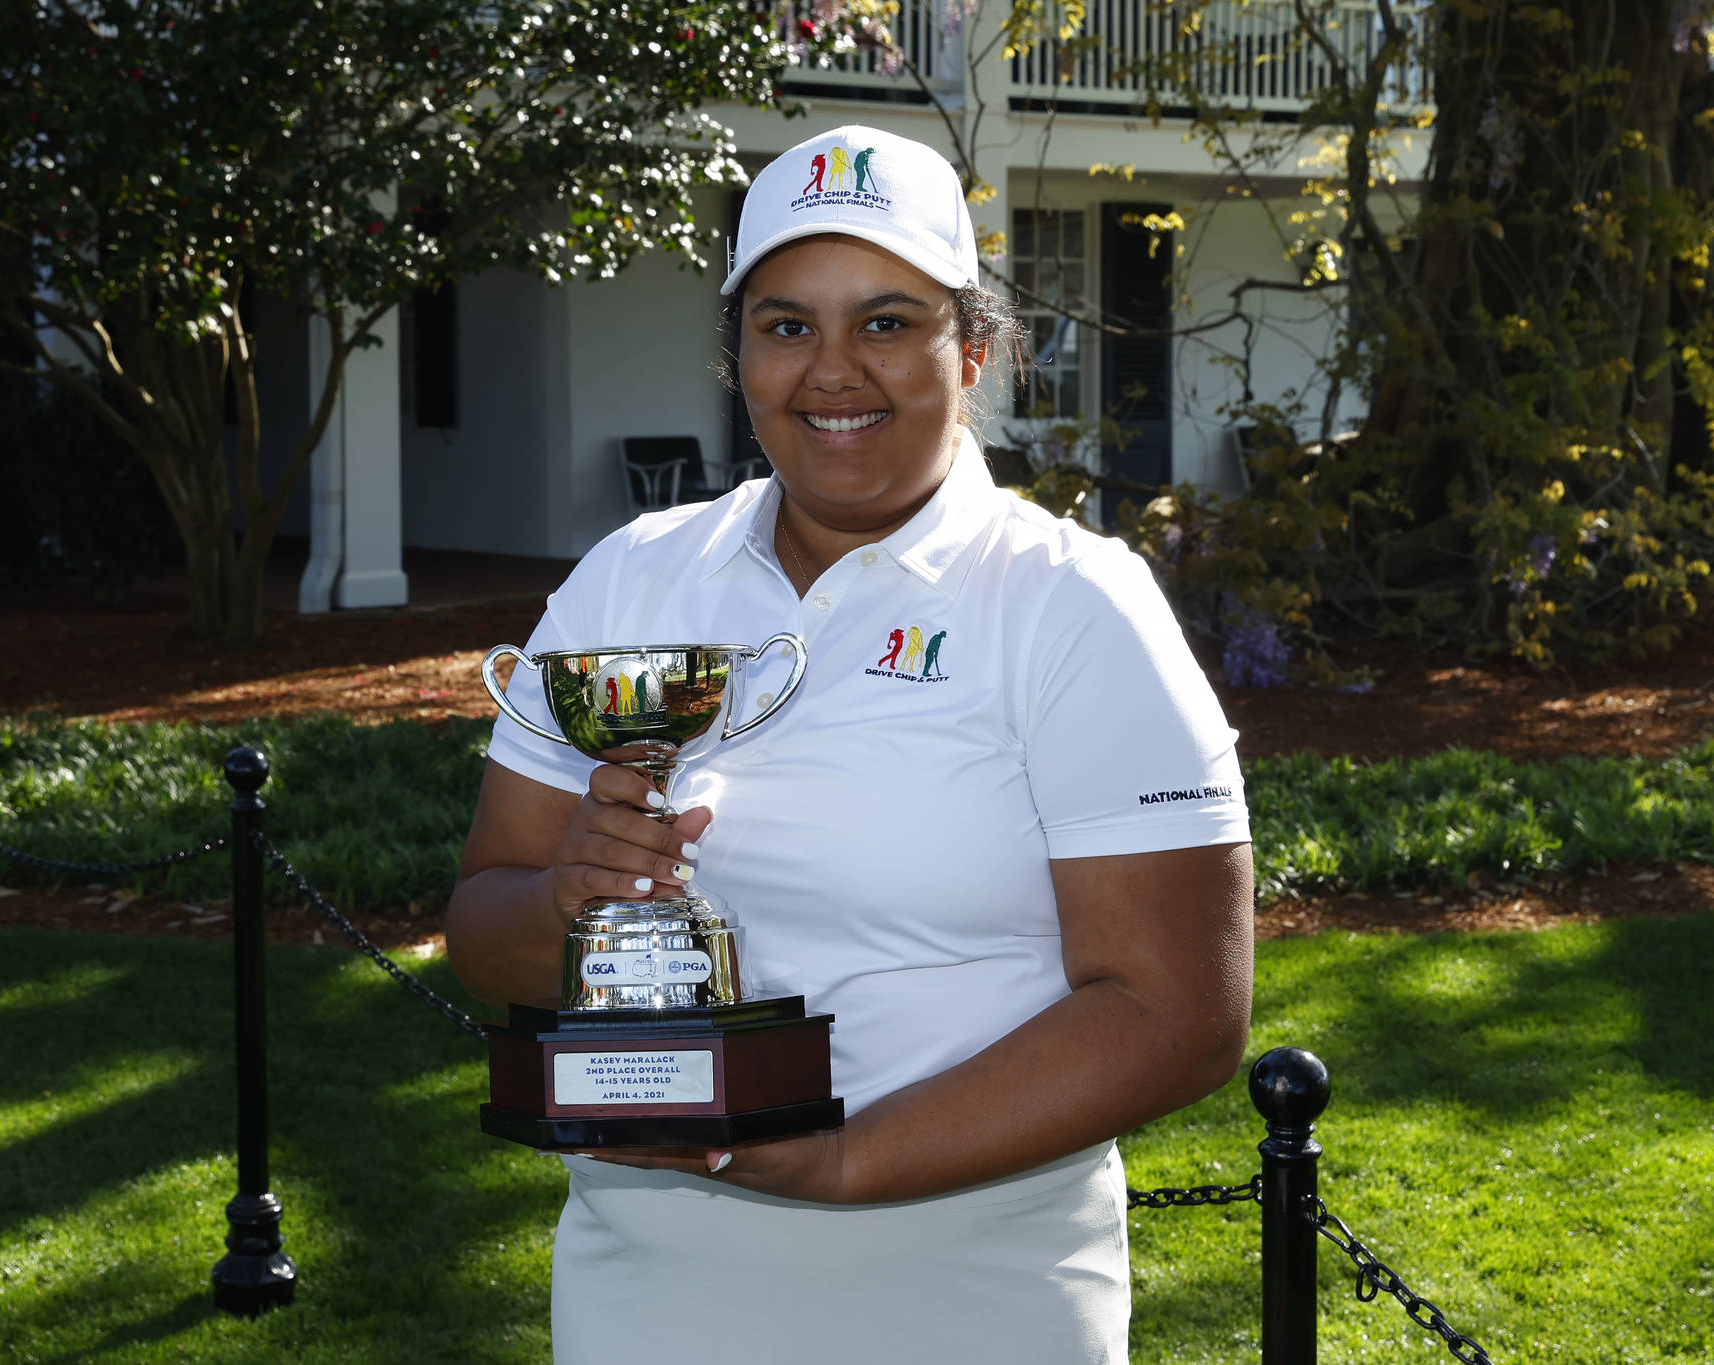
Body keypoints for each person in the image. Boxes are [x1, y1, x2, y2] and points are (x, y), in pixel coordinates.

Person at [445, 124, 1253, 1364]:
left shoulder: (1070, 602)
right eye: (785, 325)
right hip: (649, 1289)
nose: (832, 370)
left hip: (975, 1293)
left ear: (970, 349)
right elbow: (486, 938)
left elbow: (1175, 1011)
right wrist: (570, 896)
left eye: (885, 322)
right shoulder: (635, 579)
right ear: (738, 358)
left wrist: (842, 1162)